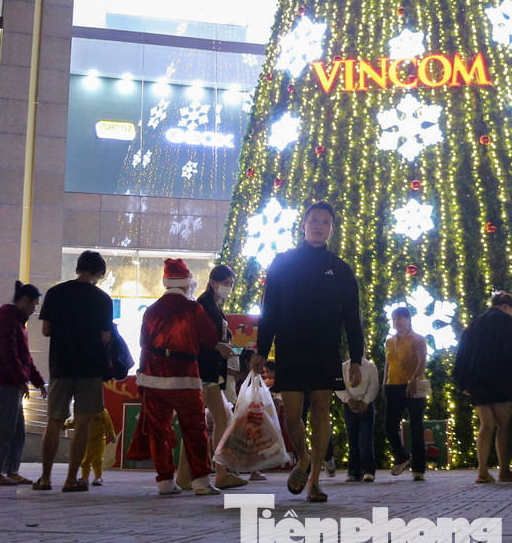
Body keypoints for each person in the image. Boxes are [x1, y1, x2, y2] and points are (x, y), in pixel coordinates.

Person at [251, 201, 364, 504]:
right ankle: (302, 457)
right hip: (290, 347)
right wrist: (262, 350)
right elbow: (270, 308)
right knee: (291, 414)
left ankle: (314, 480)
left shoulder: (340, 269)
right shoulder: (283, 262)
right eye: (313, 220)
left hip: (326, 349)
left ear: (331, 229)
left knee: (321, 410)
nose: (318, 226)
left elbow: (353, 316)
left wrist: (356, 357)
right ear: (303, 225)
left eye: (325, 222)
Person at [137, 257, 226, 496]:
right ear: (187, 284)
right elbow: (209, 338)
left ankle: (165, 481)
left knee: (159, 430)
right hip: (184, 376)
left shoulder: (152, 310)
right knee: (195, 429)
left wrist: (141, 376)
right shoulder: (192, 308)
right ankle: (200, 482)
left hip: (153, 376)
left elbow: (143, 343)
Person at [36, 249, 114, 492]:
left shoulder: (56, 293)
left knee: (54, 421)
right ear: (100, 273)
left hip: (61, 365)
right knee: (83, 424)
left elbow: (46, 330)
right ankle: (71, 479)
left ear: (78, 268)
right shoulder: (103, 299)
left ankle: (46, 478)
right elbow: (105, 336)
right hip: (90, 368)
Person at [175, 264, 248, 491]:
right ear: (213, 282)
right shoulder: (205, 305)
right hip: (205, 370)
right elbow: (200, 338)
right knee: (219, 420)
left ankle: (186, 476)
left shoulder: (212, 304)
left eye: (231, 284)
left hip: (210, 370)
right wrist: (219, 347)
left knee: (205, 422)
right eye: (226, 283)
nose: (228, 288)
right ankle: (220, 473)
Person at [453, 291, 512, 483]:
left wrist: (462, 381)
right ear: (505, 306)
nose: (511, 314)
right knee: (504, 426)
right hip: (500, 380)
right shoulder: (506, 322)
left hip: (476, 382)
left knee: (486, 425)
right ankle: (504, 471)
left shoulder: (474, 323)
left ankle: (482, 472)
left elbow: (462, 353)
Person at [0, 281, 46, 487]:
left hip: (13, 381)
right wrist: (21, 380)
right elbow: (7, 351)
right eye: (34, 304)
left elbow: (25, 357)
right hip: (5, 380)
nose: (34, 309)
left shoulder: (17, 321)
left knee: (18, 431)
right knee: (4, 428)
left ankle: (11, 470)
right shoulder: (8, 318)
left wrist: (38, 382)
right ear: (24, 301)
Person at [384, 306, 429, 480]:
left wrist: (413, 380)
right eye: (395, 319)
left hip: (414, 385)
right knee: (390, 426)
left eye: (401, 318)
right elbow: (388, 363)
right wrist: (384, 381)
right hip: (393, 385)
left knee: (416, 425)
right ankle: (402, 456)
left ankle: (419, 469)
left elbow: (422, 361)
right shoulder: (389, 341)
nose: (398, 322)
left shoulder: (417, 339)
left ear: (409, 319)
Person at [336, 355, 378, 482]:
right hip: (350, 406)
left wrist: (365, 402)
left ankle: (368, 471)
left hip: (366, 406)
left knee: (366, 439)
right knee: (352, 440)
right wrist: (348, 400)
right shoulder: (343, 367)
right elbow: (339, 385)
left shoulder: (370, 367)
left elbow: (373, 386)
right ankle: (353, 471)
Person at [75, 409, 117, 487]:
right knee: (85, 460)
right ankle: (85, 477)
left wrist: (111, 435)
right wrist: (66, 425)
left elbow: (108, 425)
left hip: (99, 440)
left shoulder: (102, 412)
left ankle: (98, 477)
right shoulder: (84, 411)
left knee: (97, 459)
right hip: (87, 440)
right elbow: (76, 422)